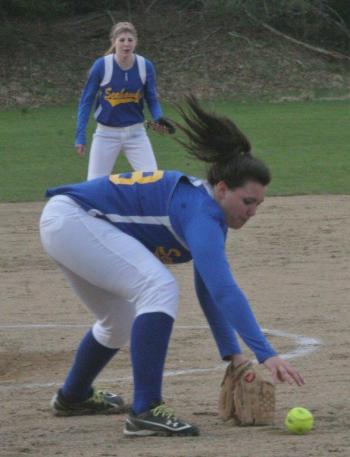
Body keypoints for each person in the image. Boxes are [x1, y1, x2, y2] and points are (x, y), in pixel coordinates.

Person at [40, 96, 304, 438]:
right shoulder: (202, 215)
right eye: (247, 201)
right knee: (158, 287)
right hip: (74, 220)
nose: (252, 212)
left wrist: (235, 355)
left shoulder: (207, 211)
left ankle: (73, 396)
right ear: (222, 189)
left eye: (259, 204)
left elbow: (209, 289)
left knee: (118, 320)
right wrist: (266, 353)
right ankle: (146, 409)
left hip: (70, 224)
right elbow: (224, 290)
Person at [75, 21, 174, 180]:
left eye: (130, 40)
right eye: (121, 40)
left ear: (136, 42)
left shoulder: (145, 66)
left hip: (136, 133)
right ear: (113, 42)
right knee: (94, 185)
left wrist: (158, 118)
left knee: (152, 180)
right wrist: (80, 136)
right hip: (106, 134)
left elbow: (152, 99)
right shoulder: (102, 66)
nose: (126, 44)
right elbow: (86, 102)